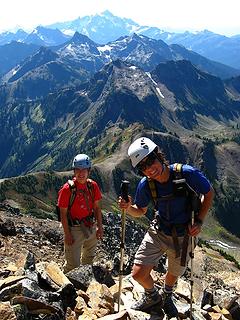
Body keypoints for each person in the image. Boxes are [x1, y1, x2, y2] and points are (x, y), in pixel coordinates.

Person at [118, 137, 214, 318]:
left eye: (150, 161)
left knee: (173, 272)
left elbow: (208, 193)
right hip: (158, 231)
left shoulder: (186, 173)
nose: (149, 169)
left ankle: (167, 294)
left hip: (184, 235)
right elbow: (140, 210)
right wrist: (128, 208)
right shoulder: (145, 185)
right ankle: (152, 296)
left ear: (158, 156)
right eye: (142, 167)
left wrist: (199, 221)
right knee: (138, 273)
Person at [58, 154, 103, 273]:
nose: (81, 173)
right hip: (74, 229)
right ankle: (67, 288)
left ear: (89, 171)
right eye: (78, 169)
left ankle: (84, 285)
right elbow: (62, 213)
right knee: (73, 265)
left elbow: (97, 208)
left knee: (89, 258)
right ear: (74, 171)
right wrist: (67, 234)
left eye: (84, 170)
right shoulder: (67, 189)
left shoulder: (92, 186)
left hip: (90, 226)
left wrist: (99, 227)